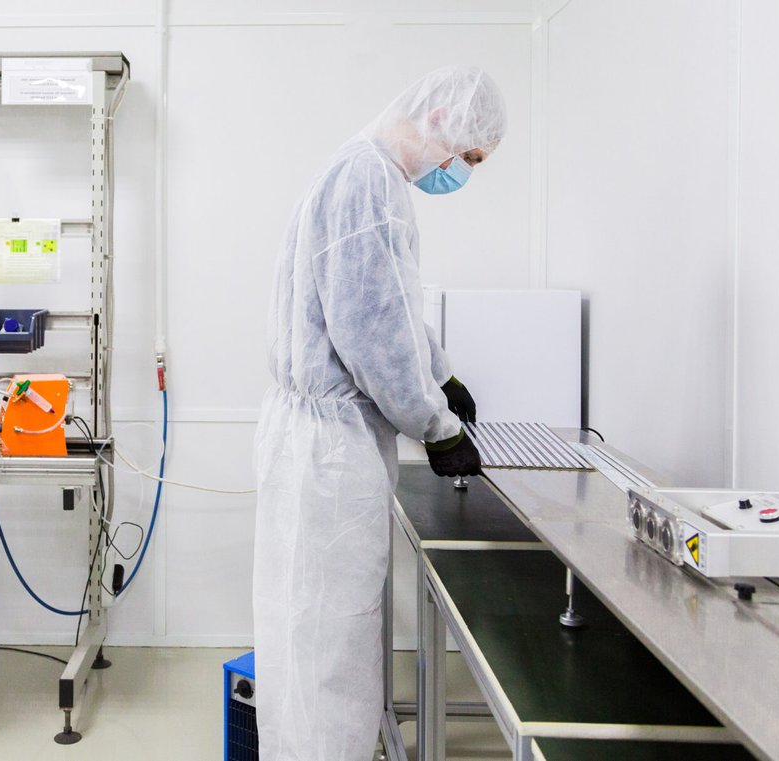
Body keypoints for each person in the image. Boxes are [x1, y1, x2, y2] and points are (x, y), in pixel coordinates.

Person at [253, 65, 505, 760]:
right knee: (329, 642)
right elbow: (372, 329)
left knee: (309, 634)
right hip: (329, 453)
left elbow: (391, 301)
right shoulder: (367, 182)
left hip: (314, 442)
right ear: (441, 120)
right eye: (468, 156)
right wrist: (437, 426)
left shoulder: (364, 174)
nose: (461, 172)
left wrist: (441, 373)